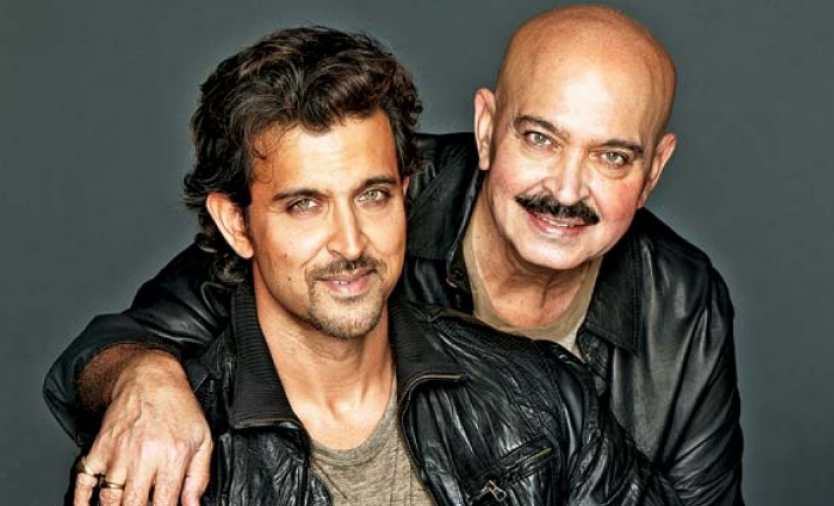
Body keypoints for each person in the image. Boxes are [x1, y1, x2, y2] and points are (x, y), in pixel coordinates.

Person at [46, 4, 743, 505]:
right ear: (488, 129)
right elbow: (130, 339)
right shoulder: (182, 457)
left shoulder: (668, 314)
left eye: (612, 156)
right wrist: (143, 376)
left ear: (653, 171)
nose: (565, 189)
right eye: (540, 138)